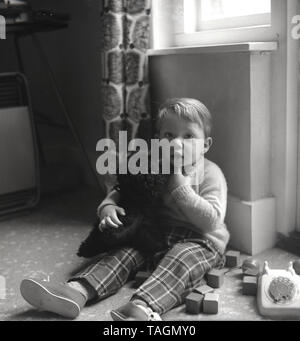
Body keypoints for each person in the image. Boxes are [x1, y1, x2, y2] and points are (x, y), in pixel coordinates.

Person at [20, 98, 230, 321]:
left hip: (201, 241)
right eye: (169, 135)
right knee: (124, 252)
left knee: (181, 259)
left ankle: (142, 307)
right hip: (156, 235)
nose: (177, 143)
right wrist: (108, 207)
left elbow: (211, 221)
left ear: (205, 145)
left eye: (188, 136)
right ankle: (75, 291)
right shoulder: (151, 164)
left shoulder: (209, 173)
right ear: (158, 140)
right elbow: (124, 189)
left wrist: (180, 186)